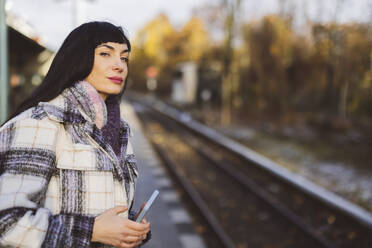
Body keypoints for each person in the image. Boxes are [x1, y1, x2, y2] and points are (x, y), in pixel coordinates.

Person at [0, 21, 151, 248]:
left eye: (124, 57)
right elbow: (7, 224)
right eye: (105, 54)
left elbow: (97, 209)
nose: (119, 65)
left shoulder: (119, 130)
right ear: (78, 60)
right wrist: (91, 231)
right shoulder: (40, 124)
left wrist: (128, 228)